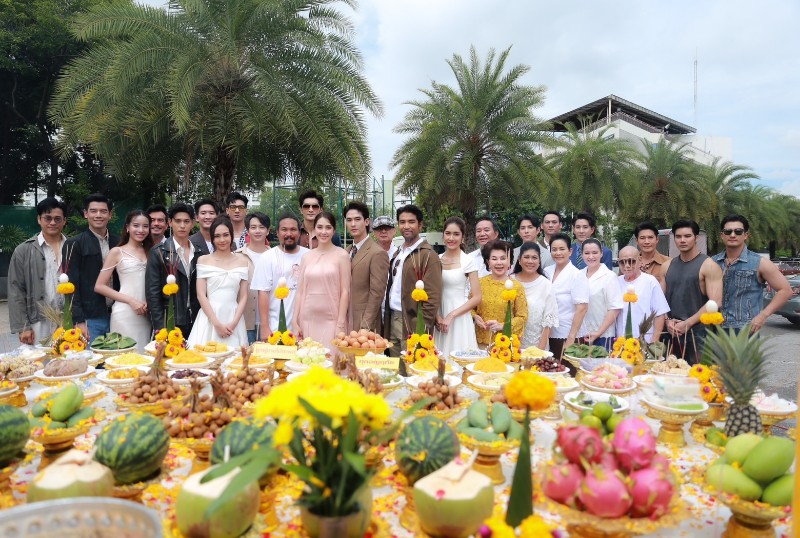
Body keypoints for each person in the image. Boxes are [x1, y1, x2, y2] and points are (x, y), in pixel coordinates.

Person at [711, 214, 792, 332]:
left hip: (745, 330)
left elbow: (785, 290)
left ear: (746, 235)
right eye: (728, 231)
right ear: (722, 235)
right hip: (713, 328)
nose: (732, 235)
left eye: (738, 231)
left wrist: (763, 315)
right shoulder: (712, 262)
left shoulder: (760, 262)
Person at [383, 205, 442, 358]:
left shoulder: (428, 256)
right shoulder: (398, 253)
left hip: (412, 323)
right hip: (393, 318)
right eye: (402, 222)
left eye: (411, 222)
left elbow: (433, 298)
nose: (406, 226)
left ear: (420, 225)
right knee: (396, 368)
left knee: (412, 368)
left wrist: (421, 327)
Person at [661, 219, 723, 364]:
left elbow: (715, 302)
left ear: (696, 238)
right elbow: (659, 299)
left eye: (687, 236)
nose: (682, 240)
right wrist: (667, 321)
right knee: (670, 374)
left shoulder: (709, 265)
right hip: (672, 333)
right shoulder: (666, 266)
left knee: (699, 375)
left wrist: (688, 323)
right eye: (678, 236)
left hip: (699, 334)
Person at [8, 198, 68, 344]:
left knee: (70, 357)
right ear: (39, 219)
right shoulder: (23, 250)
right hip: (38, 321)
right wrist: (23, 326)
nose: (52, 223)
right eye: (47, 218)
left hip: (69, 319)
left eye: (57, 219)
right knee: (39, 358)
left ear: (64, 221)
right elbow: (16, 289)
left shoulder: (73, 247)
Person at [94, 211, 153, 351]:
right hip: (124, 313)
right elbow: (99, 286)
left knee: (145, 356)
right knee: (123, 357)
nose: (141, 230)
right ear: (127, 227)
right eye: (136, 225)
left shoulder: (152, 251)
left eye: (145, 226)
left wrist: (150, 302)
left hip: (146, 313)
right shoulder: (117, 252)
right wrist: (131, 301)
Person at [63, 193, 119, 340]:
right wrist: (78, 320)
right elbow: (71, 285)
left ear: (110, 215)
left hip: (117, 313)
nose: (98, 215)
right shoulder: (74, 244)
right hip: (90, 318)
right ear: (85, 214)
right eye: (93, 211)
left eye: (103, 211)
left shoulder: (119, 242)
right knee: (91, 355)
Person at [187, 217, 249, 348]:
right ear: (212, 238)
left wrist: (234, 323)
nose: (222, 240)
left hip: (234, 317)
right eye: (217, 236)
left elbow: (243, 296)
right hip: (209, 317)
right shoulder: (203, 260)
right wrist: (216, 323)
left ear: (231, 235)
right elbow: (201, 295)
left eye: (226, 235)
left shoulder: (243, 261)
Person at [293, 211, 350, 348]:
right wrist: (294, 321)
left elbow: (345, 291)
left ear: (334, 230)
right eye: (319, 227)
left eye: (328, 227)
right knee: (308, 357)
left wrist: (340, 324)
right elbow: (300, 291)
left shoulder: (342, 255)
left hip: (332, 320)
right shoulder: (306, 257)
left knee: (332, 358)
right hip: (307, 318)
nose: (323, 232)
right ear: (314, 229)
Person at [145, 203, 200, 336]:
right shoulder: (159, 252)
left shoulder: (198, 252)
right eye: (178, 221)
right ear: (170, 222)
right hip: (170, 319)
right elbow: (153, 293)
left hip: (196, 319)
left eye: (186, 221)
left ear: (192, 223)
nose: (182, 225)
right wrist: (160, 327)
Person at [251, 214, 309, 335]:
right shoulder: (267, 257)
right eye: (284, 229)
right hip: (275, 328)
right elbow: (263, 293)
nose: (289, 234)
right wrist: (265, 327)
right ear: (277, 233)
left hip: (305, 327)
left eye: (293, 229)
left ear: (299, 232)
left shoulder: (309, 256)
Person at [434, 217, 481, 356]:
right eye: (448, 233)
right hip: (439, 316)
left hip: (459, 317)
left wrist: (451, 315)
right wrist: (437, 316)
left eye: (456, 234)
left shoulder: (468, 261)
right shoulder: (436, 259)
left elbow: (477, 297)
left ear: (462, 237)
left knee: (459, 358)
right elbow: (430, 291)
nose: (451, 238)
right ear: (443, 235)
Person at [544, 233, 589, 363]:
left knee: (568, 371)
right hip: (548, 333)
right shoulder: (546, 271)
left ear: (570, 251)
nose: (558, 253)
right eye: (554, 249)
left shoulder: (576, 275)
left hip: (568, 334)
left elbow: (582, 309)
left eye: (562, 249)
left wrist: (571, 339)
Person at [344, 201, 389, 332]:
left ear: (366, 221)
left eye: (357, 219)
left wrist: (366, 326)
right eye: (349, 220)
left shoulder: (377, 253)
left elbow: (377, 294)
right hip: (345, 319)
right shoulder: (345, 251)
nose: (353, 224)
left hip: (364, 322)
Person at [473, 240, 527, 346]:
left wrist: (502, 326)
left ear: (509, 261)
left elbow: (522, 317)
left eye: (503, 258)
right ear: (488, 262)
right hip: (479, 342)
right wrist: (475, 317)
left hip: (504, 345)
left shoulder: (517, 286)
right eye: (494, 259)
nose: (499, 262)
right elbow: (470, 307)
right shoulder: (479, 283)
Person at [616, 246, 669, 342]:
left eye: (631, 261)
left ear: (640, 260)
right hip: (620, 342)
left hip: (645, 342)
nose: (627, 265)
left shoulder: (650, 281)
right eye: (622, 262)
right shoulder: (615, 282)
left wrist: (654, 341)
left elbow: (660, 313)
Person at [512, 242, 558, 350]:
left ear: (539, 261)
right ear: (519, 260)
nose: (530, 261)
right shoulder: (510, 281)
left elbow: (548, 323)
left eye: (534, 258)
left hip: (537, 348)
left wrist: (539, 352)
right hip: (510, 348)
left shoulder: (546, 285)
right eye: (526, 257)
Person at [580, 238, 623, 350]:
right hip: (581, 334)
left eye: (595, 253)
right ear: (582, 254)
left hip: (603, 335)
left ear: (601, 253)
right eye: (587, 253)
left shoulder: (609, 276)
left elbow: (615, 308)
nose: (591, 256)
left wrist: (599, 332)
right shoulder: (578, 275)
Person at [237, 212, 271, 343]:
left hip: (270, 323)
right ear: (247, 231)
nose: (257, 231)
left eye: (262, 227)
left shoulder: (275, 257)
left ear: (268, 231)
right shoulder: (236, 256)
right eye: (253, 227)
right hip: (244, 322)